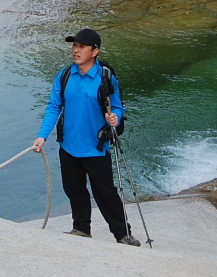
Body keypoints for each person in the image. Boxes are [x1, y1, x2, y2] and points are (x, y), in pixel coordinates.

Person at [33, 28, 140, 246]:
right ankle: (81, 229)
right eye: (74, 46)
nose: (76, 50)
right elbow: (54, 106)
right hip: (68, 146)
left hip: (96, 147)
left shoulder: (105, 78)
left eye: (82, 46)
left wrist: (115, 118)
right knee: (73, 188)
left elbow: (118, 107)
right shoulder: (64, 76)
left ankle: (123, 234)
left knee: (105, 193)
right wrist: (42, 136)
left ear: (95, 51)